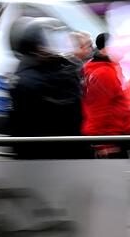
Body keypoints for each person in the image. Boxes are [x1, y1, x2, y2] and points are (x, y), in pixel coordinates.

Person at [9, 17, 89, 159]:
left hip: (73, 150)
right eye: (51, 40)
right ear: (37, 47)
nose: (58, 46)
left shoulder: (66, 69)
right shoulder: (26, 79)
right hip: (42, 155)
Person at [81, 33, 130, 158]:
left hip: (114, 136)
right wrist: (104, 144)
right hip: (110, 142)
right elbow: (98, 110)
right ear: (107, 49)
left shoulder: (109, 68)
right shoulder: (104, 73)